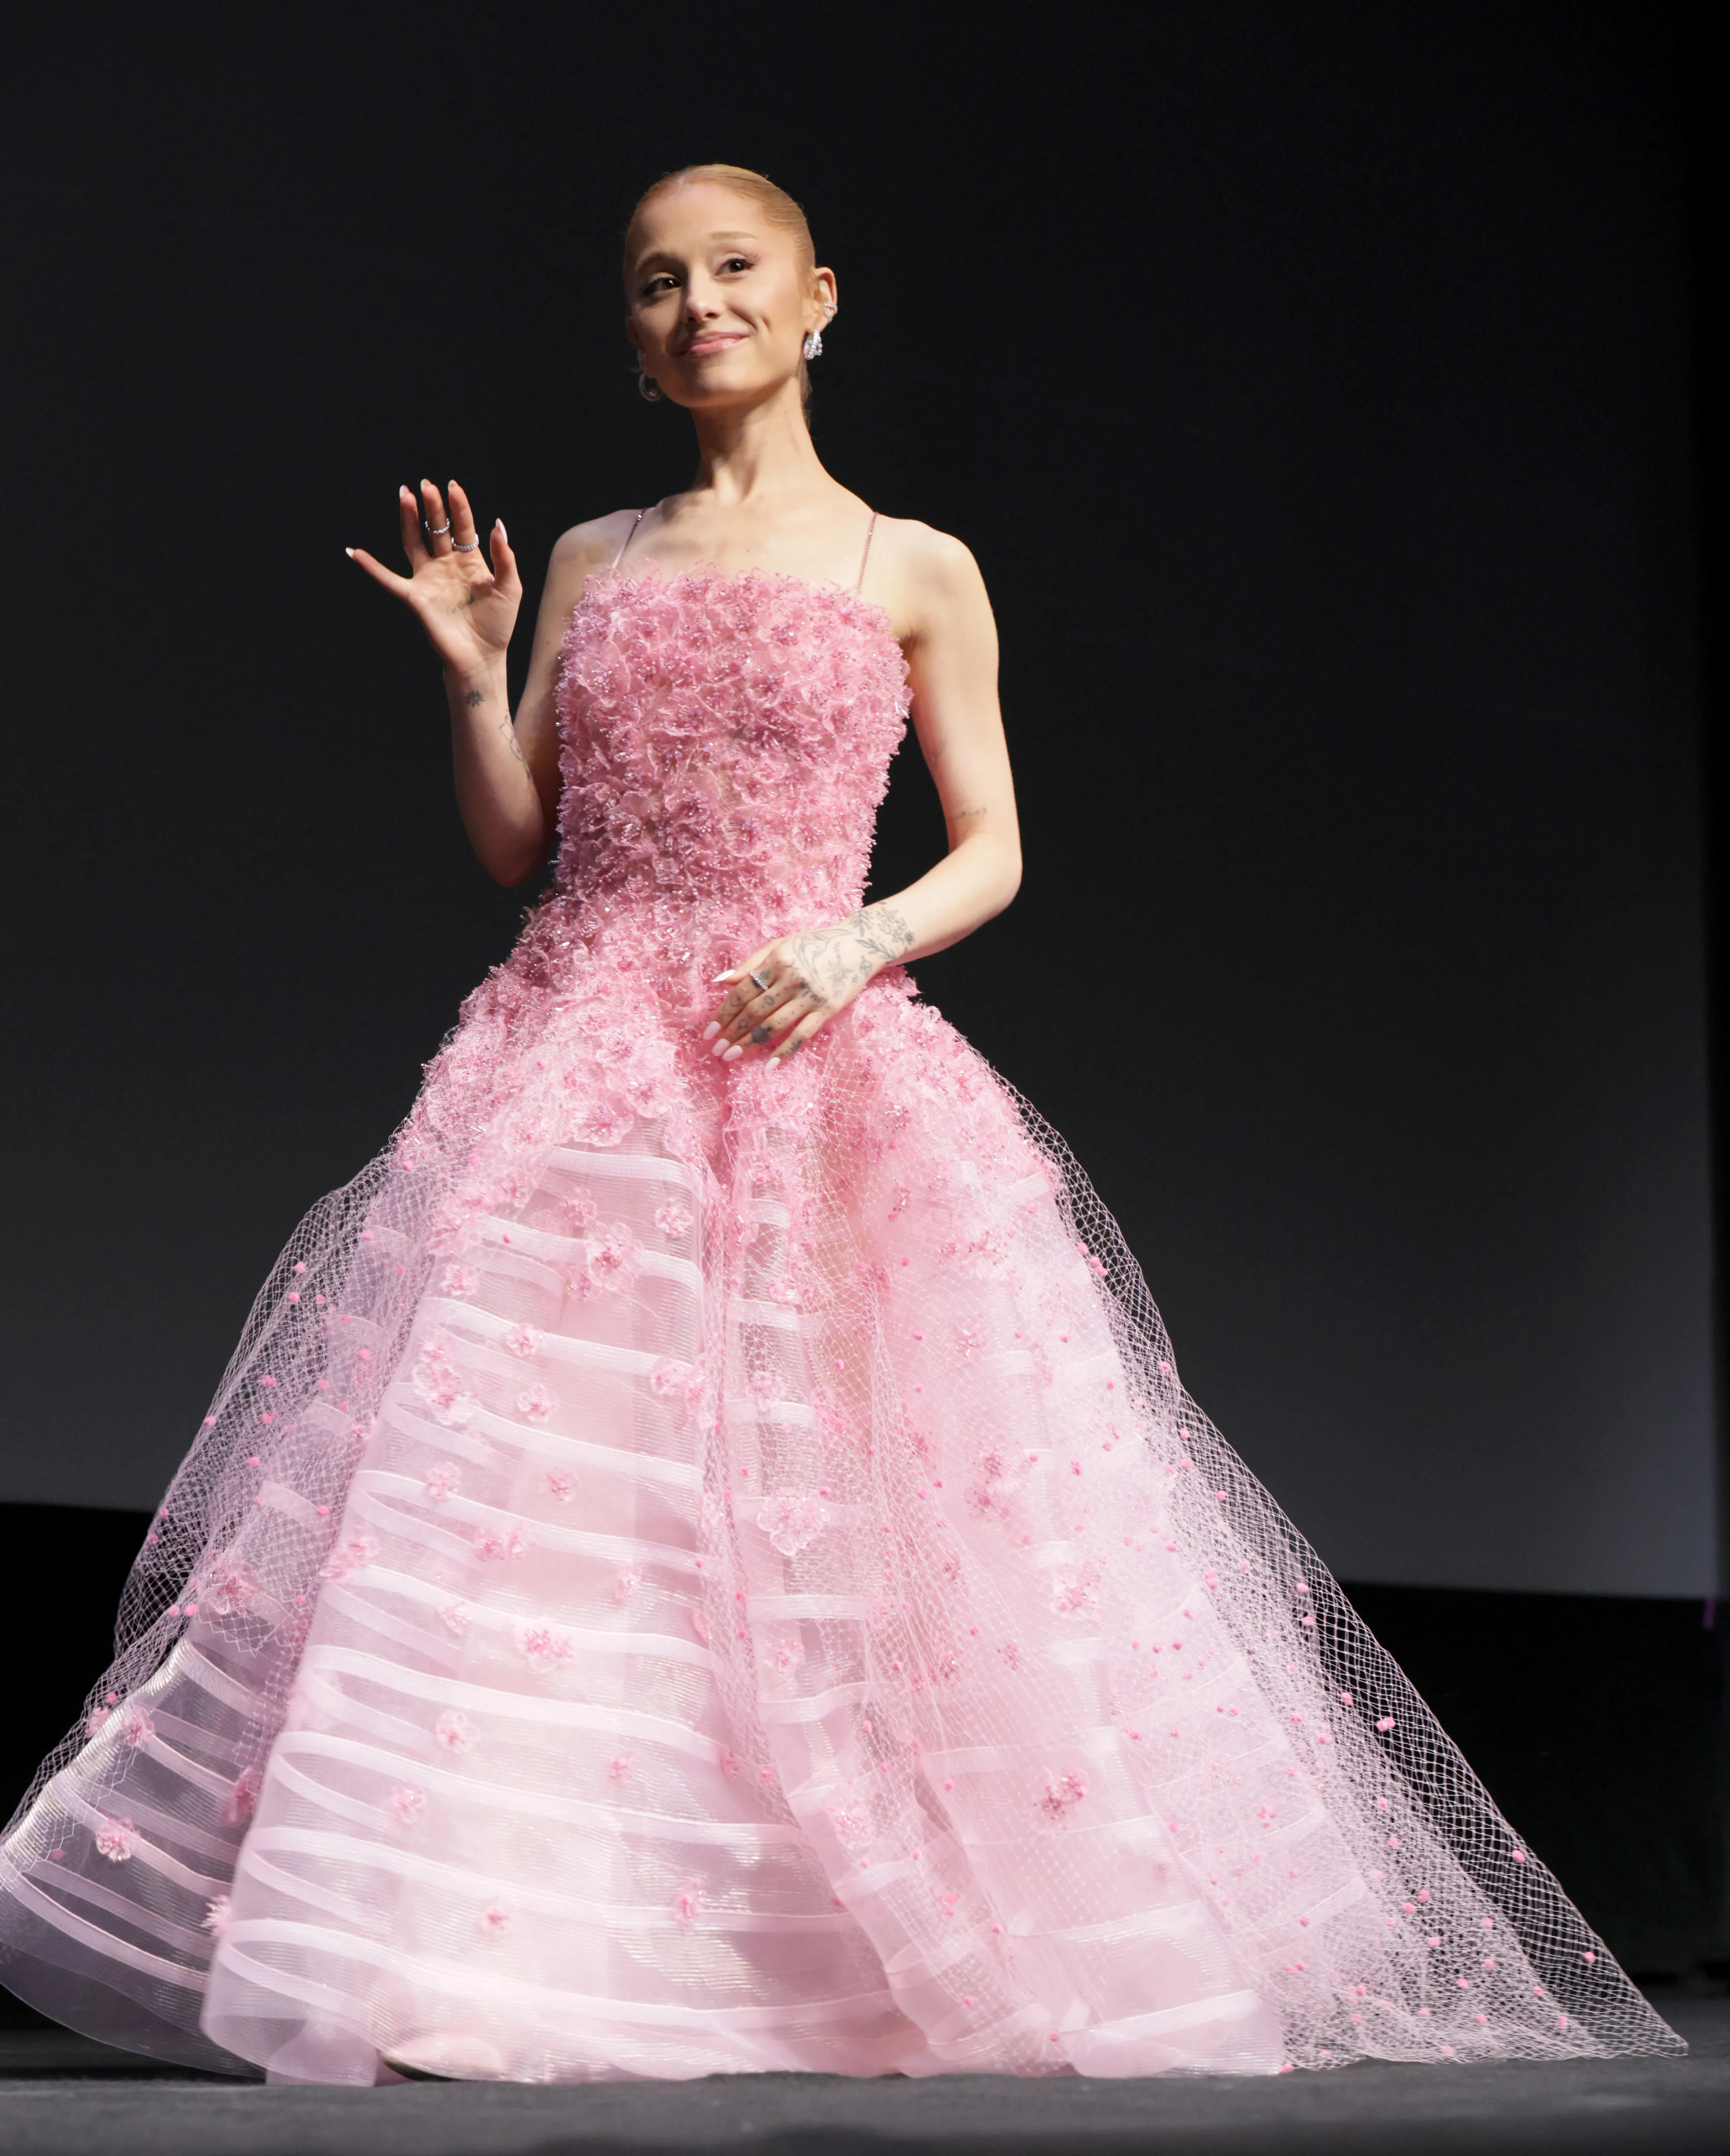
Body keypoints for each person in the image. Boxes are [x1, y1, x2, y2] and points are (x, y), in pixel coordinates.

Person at [0, 164, 1679, 2086]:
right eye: (657, 281)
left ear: (816, 301)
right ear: (636, 338)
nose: (696, 301)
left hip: (810, 1053)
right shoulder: (593, 556)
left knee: (854, 1504)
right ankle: (493, 1963)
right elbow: (517, 844)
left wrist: (852, 939)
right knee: (554, 1510)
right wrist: (472, 682)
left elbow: (995, 845)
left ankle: (835, 1963)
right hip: (581, 1068)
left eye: (734, 268)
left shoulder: (913, 564)